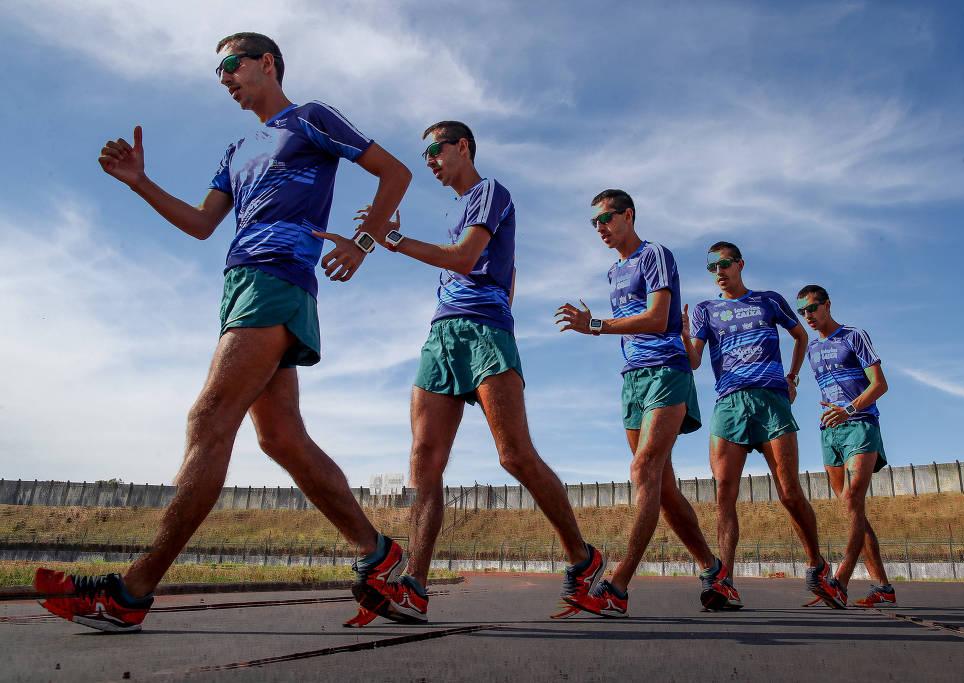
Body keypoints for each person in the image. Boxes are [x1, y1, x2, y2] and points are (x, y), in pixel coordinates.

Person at [35, 32, 413, 632]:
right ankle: (378, 554)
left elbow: (393, 172)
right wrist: (140, 182)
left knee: (209, 419)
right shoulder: (236, 147)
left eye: (231, 64)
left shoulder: (309, 118)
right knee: (281, 439)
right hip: (239, 283)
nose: (224, 77)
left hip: (277, 277)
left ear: (268, 63)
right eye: (218, 72)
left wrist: (363, 243)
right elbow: (202, 223)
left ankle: (132, 591)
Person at [326, 121, 601, 622]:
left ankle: (584, 558)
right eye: (424, 154)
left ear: (463, 147)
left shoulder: (490, 192)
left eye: (436, 150)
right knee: (424, 461)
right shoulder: (456, 210)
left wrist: (394, 239)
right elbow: (473, 263)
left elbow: (464, 258)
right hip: (442, 334)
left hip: (485, 330)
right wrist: (384, 239)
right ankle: (414, 585)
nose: (429, 160)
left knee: (514, 457)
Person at [552, 189, 727, 617]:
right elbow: (630, 326)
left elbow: (654, 318)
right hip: (632, 378)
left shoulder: (656, 255)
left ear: (628, 215)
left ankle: (618, 583)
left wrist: (593, 324)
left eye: (606, 218)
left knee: (642, 469)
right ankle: (712, 566)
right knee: (662, 487)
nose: (600, 228)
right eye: (594, 222)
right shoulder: (614, 271)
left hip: (667, 370)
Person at [685, 242, 845, 608]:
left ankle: (817, 565)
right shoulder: (706, 311)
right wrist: (681, 333)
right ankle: (724, 579)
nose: (719, 271)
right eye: (712, 267)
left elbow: (800, 336)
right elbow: (694, 361)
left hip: (772, 402)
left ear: (740, 264)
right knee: (724, 494)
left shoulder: (768, 300)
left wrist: (792, 377)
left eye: (725, 264)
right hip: (730, 404)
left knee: (789, 493)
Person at [797, 284, 895, 608]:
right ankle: (882, 587)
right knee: (852, 510)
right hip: (830, 433)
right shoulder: (811, 350)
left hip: (860, 425)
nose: (808, 316)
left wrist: (850, 409)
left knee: (853, 500)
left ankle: (839, 582)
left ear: (827, 305)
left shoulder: (855, 336)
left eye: (812, 308)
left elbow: (879, 384)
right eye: (802, 312)